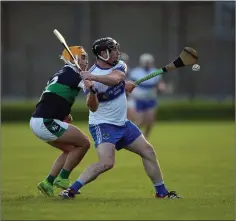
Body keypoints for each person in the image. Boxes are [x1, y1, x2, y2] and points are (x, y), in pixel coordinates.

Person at [59, 37, 180, 199]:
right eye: (114, 50)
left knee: (148, 151)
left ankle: (162, 193)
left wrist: (95, 79)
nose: (118, 53)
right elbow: (92, 107)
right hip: (103, 125)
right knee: (106, 163)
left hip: (123, 124)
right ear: (103, 53)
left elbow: (116, 79)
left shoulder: (118, 65)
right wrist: (93, 91)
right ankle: (71, 190)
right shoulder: (91, 76)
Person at [30, 46, 98, 197]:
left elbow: (55, 96)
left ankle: (48, 182)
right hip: (46, 121)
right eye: (83, 57)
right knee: (84, 143)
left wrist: (65, 114)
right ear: (73, 58)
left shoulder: (62, 73)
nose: (86, 61)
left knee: (69, 149)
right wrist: (92, 86)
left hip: (38, 120)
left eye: (86, 57)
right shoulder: (74, 74)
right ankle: (63, 178)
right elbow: (91, 92)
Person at [128, 53, 168, 138]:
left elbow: (160, 84)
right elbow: (130, 84)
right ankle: (133, 134)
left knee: (150, 121)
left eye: (148, 61)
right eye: (145, 61)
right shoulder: (135, 72)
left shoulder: (156, 72)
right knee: (140, 120)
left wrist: (163, 88)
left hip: (151, 99)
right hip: (139, 99)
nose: (147, 63)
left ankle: (145, 138)